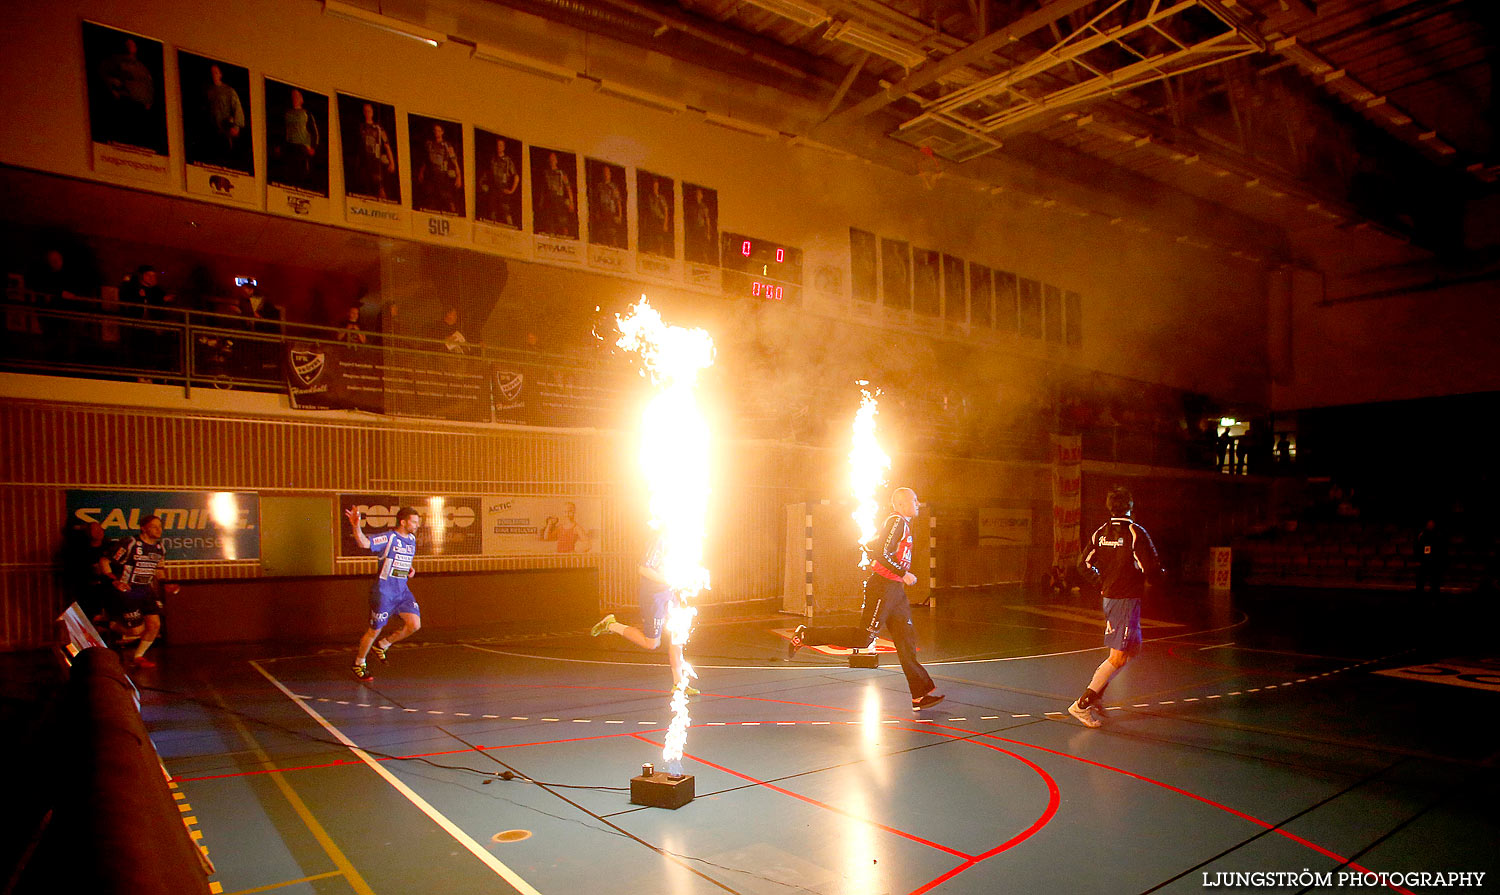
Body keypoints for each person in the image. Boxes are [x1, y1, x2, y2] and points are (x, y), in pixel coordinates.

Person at [786, 487, 946, 711]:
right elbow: (883, 553)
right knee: (864, 638)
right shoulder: (896, 522)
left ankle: (920, 694)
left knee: (906, 640)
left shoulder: (904, 525)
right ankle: (806, 634)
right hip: (883, 587)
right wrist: (903, 573)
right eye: (914, 500)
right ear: (900, 504)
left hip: (895, 591)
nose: (918, 503)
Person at [1066, 486, 1164, 728]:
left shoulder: (1100, 533)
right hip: (1125, 601)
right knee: (1119, 656)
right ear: (1130, 507)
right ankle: (1082, 704)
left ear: (1110, 507)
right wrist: (1160, 578)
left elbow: (1083, 564)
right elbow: (1151, 567)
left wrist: (1101, 581)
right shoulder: (1134, 532)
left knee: (1132, 649)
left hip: (1115, 599)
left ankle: (1097, 693)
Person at [589, 533, 698, 695]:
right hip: (654, 597)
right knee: (651, 643)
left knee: (677, 637)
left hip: (672, 595)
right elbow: (643, 568)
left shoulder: (684, 541)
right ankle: (611, 624)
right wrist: (668, 580)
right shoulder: (660, 541)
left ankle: (679, 683)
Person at [347, 506, 422, 683]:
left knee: (414, 624)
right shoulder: (389, 537)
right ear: (403, 522)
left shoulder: (411, 539)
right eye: (414, 521)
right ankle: (359, 663)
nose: (417, 525)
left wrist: (408, 569)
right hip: (384, 593)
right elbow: (364, 543)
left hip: (402, 592)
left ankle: (384, 645)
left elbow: (401, 559)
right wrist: (356, 526)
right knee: (374, 630)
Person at [100, 514, 169, 668]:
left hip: (146, 590)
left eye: (160, 526)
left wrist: (166, 584)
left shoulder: (160, 548)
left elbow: (159, 570)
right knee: (136, 630)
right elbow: (104, 561)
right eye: (154, 526)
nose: (159, 530)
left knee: (154, 625)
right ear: (143, 528)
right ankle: (109, 624)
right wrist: (114, 581)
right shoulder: (131, 543)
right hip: (128, 590)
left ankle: (138, 656)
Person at [277, 87, 320, 188]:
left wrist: (313, 147)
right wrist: (279, 145)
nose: (295, 98)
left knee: (302, 173)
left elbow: (314, 131)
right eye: (293, 96)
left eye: (297, 96)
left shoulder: (306, 114)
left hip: (302, 147)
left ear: (301, 99)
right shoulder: (287, 113)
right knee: (288, 172)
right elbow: (281, 130)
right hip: (289, 146)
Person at [202, 63, 244, 163]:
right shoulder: (209, 91)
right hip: (213, 129)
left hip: (226, 128)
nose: (214, 75)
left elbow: (237, 108)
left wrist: (236, 126)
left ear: (220, 74)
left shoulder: (228, 91)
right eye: (212, 73)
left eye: (216, 73)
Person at [353, 102, 396, 200]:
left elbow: (387, 145)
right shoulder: (360, 127)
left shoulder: (378, 128)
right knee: (365, 190)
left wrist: (392, 163)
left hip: (376, 163)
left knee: (379, 189)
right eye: (365, 111)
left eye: (369, 111)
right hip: (363, 163)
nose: (367, 113)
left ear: (372, 112)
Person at [416, 122, 462, 214]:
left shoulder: (447, 145)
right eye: (435, 130)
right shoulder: (429, 144)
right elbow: (426, 160)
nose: (437, 132)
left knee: (447, 197)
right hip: (431, 174)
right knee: (430, 196)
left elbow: (454, 161)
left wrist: (459, 177)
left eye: (439, 131)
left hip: (443, 175)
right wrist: (421, 172)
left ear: (442, 132)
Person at [478, 138, 520, 226]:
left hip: (503, 188)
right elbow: (487, 173)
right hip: (493, 187)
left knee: (506, 210)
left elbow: (516, 176)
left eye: (501, 145)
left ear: (504, 147)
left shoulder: (508, 161)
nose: (499, 147)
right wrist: (482, 183)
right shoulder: (493, 159)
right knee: (492, 209)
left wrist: (512, 190)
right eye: (497, 145)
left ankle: (511, 228)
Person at [538, 152, 576, 237]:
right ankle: (550, 234)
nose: (552, 160)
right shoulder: (546, 173)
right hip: (549, 199)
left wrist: (571, 202)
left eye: (554, 159)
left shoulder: (561, 173)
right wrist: (541, 201)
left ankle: (565, 235)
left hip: (559, 198)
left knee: (562, 219)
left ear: (556, 161)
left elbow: (568, 187)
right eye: (550, 159)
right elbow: (543, 189)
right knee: (549, 218)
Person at [590, 165, 624, 247]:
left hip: (611, 211)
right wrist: (596, 212)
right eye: (604, 172)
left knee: (611, 231)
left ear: (610, 174)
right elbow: (596, 201)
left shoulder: (613, 187)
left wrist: (620, 215)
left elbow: (618, 201)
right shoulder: (599, 186)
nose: (606, 174)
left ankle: (614, 245)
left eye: (607, 172)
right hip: (602, 211)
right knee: (602, 230)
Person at [1415, 518, 1447, 596]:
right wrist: (1418, 559)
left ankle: (1434, 595)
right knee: (1421, 580)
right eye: (1429, 524)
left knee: (1435, 581)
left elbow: (1441, 549)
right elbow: (1418, 547)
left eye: (1432, 524)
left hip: (1434, 560)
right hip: (1424, 560)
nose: (1430, 525)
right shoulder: (1421, 534)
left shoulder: (1438, 535)